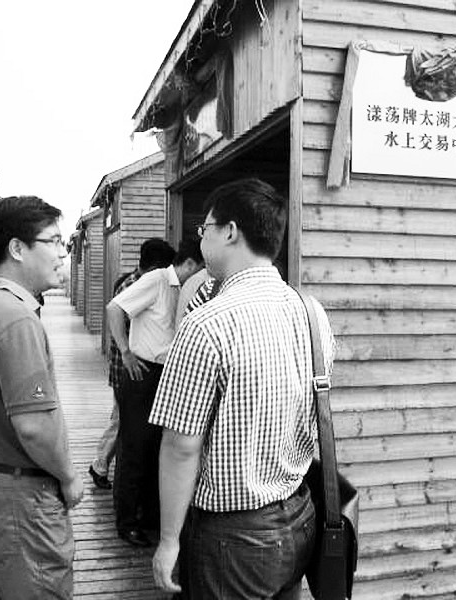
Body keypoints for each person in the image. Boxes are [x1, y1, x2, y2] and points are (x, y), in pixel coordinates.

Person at [150, 178, 336, 598]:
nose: (201, 240)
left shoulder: (207, 323)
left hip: (232, 538)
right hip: (300, 517)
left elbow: (180, 447)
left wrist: (168, 540)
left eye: (205, 229)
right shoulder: (312, 313)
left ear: (230, 231)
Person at [0, 196, 83, 599]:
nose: (63, 253)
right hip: (21, 497)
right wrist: (69, 476)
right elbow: (33, 426)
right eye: (53, 241)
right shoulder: (15, 317)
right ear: (17, 248)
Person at [106, 239, 204, 547]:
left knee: (155, 449)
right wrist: (125, 352)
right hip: (143, 373)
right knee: (134, 449)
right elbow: (114, 308)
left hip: (165, 375)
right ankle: (127, 522)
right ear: (190, 264)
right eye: (200, 270)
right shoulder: (157, 280)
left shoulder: (183, 290)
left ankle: (149, 516)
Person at [89, 238, 176, 490]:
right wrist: (128, 353)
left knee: (122, 420)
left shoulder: (130, 280)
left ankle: (103, 466)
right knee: (121, 421)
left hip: (127, 366)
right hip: (128, 367)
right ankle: (100, 466)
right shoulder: (137, 285)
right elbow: (115, 314)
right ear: (157, 267)